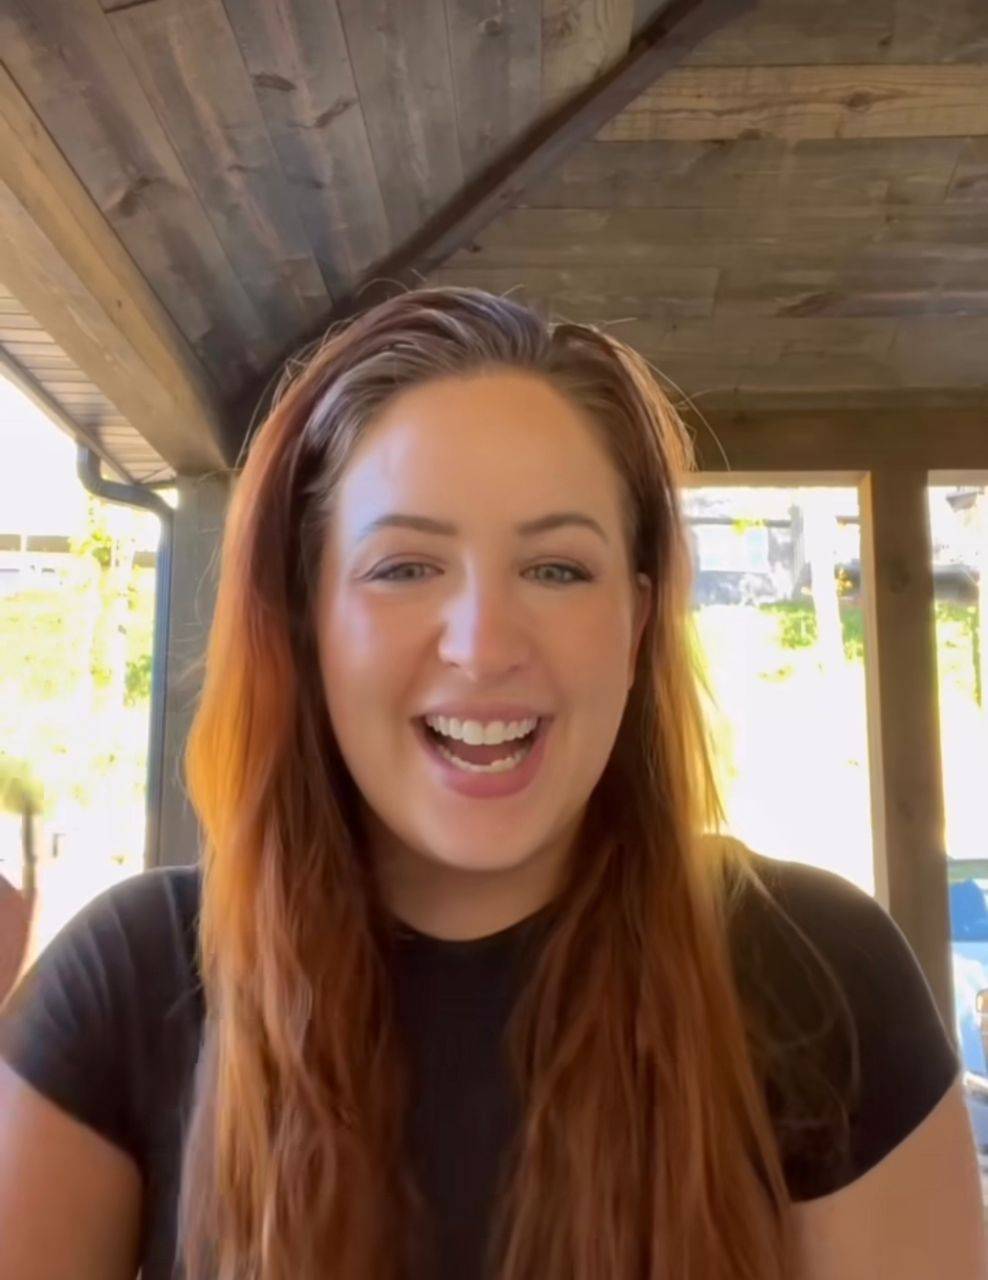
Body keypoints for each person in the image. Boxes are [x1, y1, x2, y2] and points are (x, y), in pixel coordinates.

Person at [0, 286, 983, 1280]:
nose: (482, 645)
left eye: (557, 569)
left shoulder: (817, 972)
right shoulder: (129, 984)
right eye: (404, 567)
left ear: (637, 624)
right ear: (306, 618)